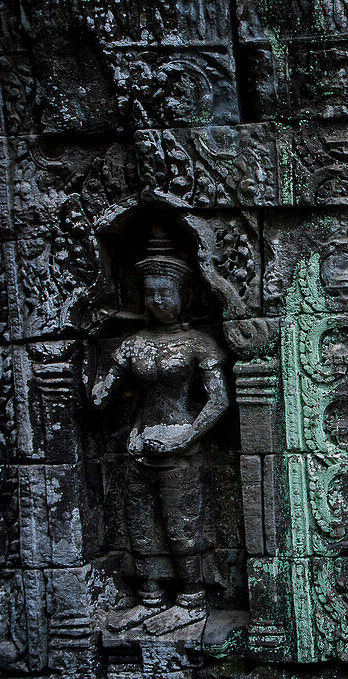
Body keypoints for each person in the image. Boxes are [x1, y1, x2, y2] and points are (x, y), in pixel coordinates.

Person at [91, 253, 229, 635]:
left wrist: (186, 435)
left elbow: (219, 400)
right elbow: (102, 396)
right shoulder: (135, 344)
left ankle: (191, 600)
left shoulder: (197, 343)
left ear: (184, 294)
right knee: (140, 524)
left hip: (180, 445)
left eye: (165, 293)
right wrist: (98, 368)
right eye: (149, 294)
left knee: (181, 525)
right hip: (140, 443)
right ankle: (149, 597)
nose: (157, 301)